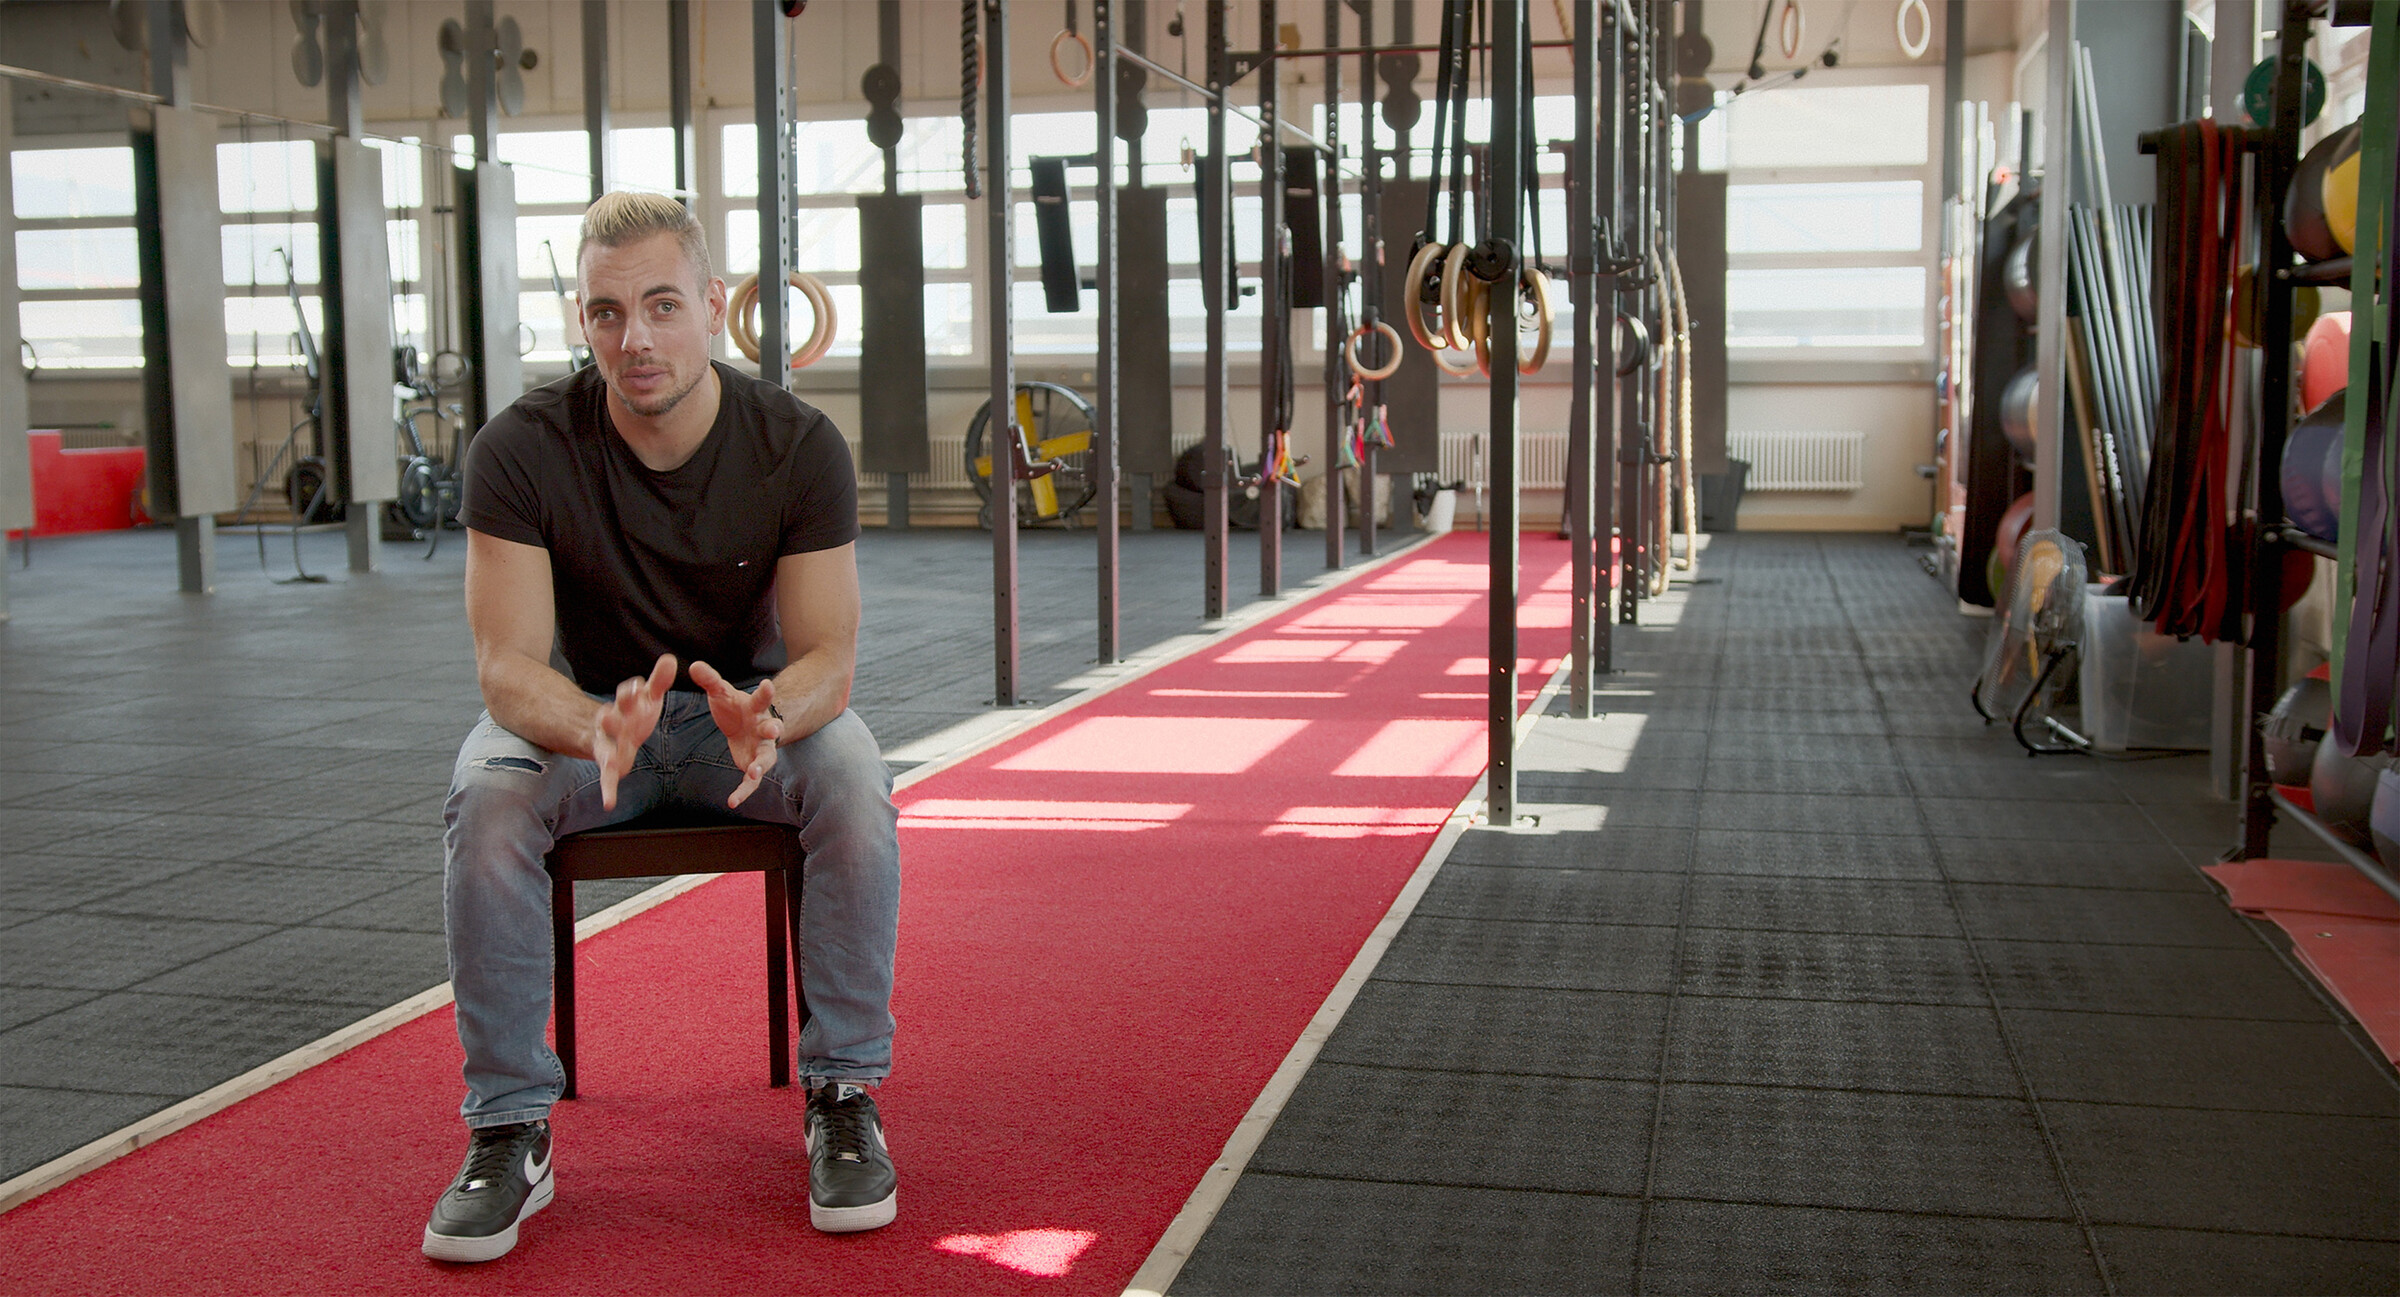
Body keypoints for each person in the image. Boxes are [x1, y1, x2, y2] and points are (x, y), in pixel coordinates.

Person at [420, 191, 902, 1264]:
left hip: (751, 726)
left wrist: (770, 712)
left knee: (855, 776)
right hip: (593, 726)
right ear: (582, 320)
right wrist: (594, 725)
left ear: (714, 307)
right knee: (488, 797)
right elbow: (505, 666)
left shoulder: (797, 444)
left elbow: (830, 656)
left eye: (662, 305)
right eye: (606, 312)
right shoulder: (520, 448)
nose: (634, 337)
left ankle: (843, 1093)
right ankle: (508, 1128)